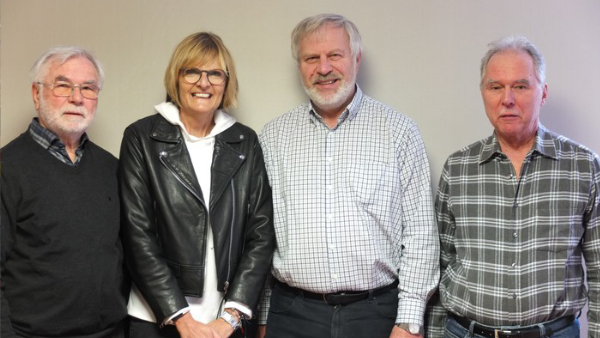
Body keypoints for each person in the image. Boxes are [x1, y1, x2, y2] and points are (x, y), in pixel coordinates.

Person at [258, 13, 439, 338]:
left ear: (356, 58)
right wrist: (262, 318)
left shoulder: (398, 131)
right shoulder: (273, 137)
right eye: (311, 58)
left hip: (376, 313)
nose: (323, 68)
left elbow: (421, 233)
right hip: (291, 314)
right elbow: (261, 236)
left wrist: (409, 321)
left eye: (334, 55)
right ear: (300, 65)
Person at [425, 35, 600, 338]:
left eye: (520, 86)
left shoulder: (583, 166)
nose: (507, 99)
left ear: (542, 93)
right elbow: (441, 265)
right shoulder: (458, 169)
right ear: (483, 93)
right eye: (496, 87)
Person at [119, 31, 275, 338]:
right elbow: (137, 236)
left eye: (215, 73)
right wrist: (181, 318)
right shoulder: (141, 138)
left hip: (225, 322)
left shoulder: (245, 141)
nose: (204, 83)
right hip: (155, 318)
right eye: (192, 71)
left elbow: (261, 233)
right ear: (176, 78)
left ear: (226, 82)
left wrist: (230, 317)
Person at [1, 46, 128, 337]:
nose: (77, 97)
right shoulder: (7, 169)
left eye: (88, 88)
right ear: (36, 94)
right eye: (63, 85)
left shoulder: (113, 168)